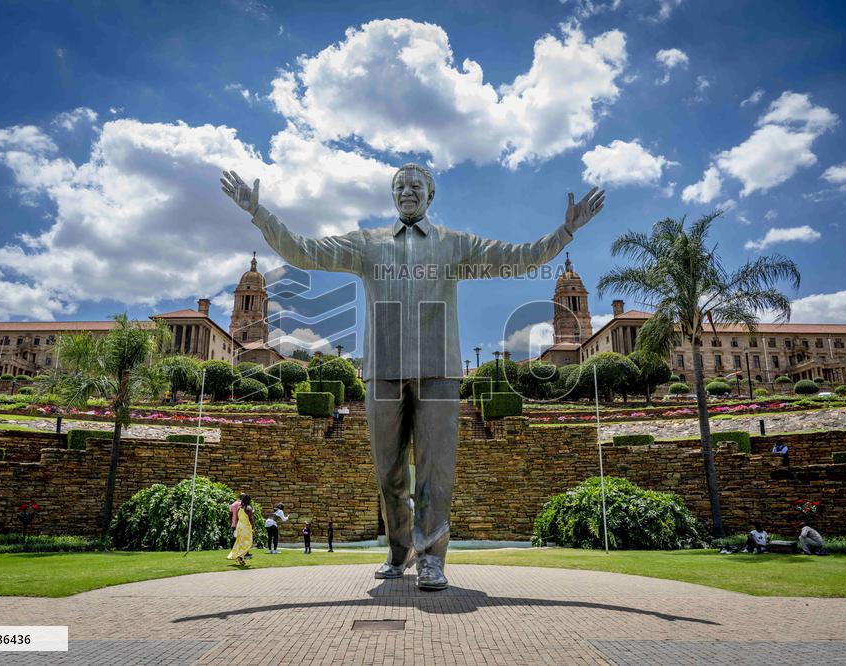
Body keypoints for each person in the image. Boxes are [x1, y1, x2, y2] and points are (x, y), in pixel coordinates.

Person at [220, 164, 604, 592]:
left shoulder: (455, 245)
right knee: (389, 474)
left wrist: (564, 233)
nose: (407, 192)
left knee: (436, 473)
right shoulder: (366, 244)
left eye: (416, 186)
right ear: (392, 194)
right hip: (383, 371)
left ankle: (432, 559)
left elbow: (515, 259)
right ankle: (399, 548)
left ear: (430, 196)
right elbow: (302, 250)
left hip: (439, 371)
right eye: (400, 186)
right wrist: (259, 214)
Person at [228, 493, 256, 563]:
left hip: (240, 526)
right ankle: (239, 556)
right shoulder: (248, 508)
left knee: (240, 543)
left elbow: (237, 518)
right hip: (246, 527)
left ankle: (240, 558)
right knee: (248, 543)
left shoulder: (239, 508)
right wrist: (254, 527)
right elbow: (250, 519)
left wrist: (237, 528)